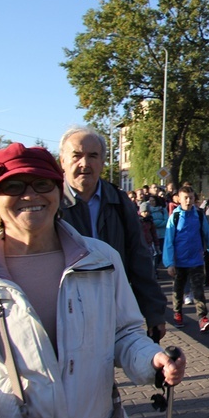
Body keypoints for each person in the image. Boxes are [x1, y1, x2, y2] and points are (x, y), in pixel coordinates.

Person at [0, 143, 185, 418]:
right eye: (13, 186)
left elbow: (124, 333)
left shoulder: (101, 259)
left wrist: (152, 360)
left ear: (57, 192)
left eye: (42, 183)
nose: (30, 195)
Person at [59, 126, 168, 341]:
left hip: (110, 307)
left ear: (102, 162)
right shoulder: (50, 203)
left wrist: (154, 312)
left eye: (92, 156)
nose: (84, 164)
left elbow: (139, 256)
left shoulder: (118, 201)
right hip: (64, 312)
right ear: (62, 160)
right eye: (76, 156)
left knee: (105, 369)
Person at [164, 186, 209, 332]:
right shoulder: (174, 217)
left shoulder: (199, 215)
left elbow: (207, 233)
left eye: (191, 198)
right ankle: (178, 313)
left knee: (198, 290)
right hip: (179, 261)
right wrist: (169, 263)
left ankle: (202, 318)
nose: (188, 201)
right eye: (185, 198)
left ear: (194, 199)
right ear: (179, 199)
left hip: (196, 260)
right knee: (178, 290)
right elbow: (168, 241)